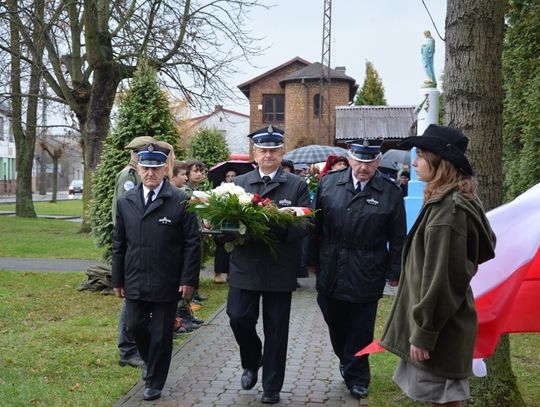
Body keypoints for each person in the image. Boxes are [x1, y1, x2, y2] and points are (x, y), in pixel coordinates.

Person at [380, 125, 496, 407]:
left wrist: (424, 333)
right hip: (441, 325)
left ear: (441, 162)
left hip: (441, 329)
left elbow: (442, 280)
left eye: (421, 155)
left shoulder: (449, 213)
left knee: (443, 400)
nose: (415, 162)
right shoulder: (443, 202)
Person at [310, 138, 406, 400]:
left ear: (377, 162)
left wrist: (394, 271)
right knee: (334, 318)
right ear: (350, 159)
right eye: (359, 162)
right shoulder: (329, 183)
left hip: (368, 265)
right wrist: (310, 260)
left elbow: (398, 237)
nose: (363, 168)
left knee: (361, 326)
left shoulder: (390, 192)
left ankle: (358, 376)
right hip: (332, 262)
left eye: (369, 163)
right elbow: (315, 226)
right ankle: (346, 358)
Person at [227, 125, 310, 404]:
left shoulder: (296, 185)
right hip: (245, 265)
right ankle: (252, 359)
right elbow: (228, 222)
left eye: (273, 150)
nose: (268, 155)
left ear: (281, 151)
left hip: (278, 268)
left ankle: (271, 387)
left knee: (276, 330)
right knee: (238, 317)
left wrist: (277, 223)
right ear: (255, 152)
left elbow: (305, 223)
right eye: (263, 150)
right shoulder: (240, 183)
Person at [112, 143, 201, 401]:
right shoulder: (125, 201)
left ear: (165, 169)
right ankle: (151, 359)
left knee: (162, 334)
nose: (150, 173)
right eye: (145, 167)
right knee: (135, 325)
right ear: (138, 168)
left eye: (155, 168)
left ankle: (154, 380)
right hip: (135, 276)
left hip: (167, 279)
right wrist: (117, 278)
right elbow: (119, 243)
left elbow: (192, 244)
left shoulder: (180, 200)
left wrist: (188, 279)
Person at [114, 135, 156, 369]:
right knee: (130, 305)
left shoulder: (134, 175)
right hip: (130, 247)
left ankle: (134, 346)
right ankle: (128, 350)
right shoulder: (128, 177)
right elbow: (125, 213)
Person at [213, 169, 238, 283]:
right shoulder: (219, 189)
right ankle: (218, 273)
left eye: (233, 175)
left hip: (234, 220)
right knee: (220, 247)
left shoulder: (240, 189)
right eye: (228, 176)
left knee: (233, 246)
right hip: (220, 220)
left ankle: (230, 273)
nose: (231, 178)